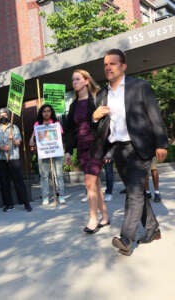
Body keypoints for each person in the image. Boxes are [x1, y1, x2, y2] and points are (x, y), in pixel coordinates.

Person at [92, 49, 168, 256]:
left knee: (134, 192)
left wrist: (162, 143)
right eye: (105, 64)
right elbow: (98, 129)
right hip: (118, 149)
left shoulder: (140, 86)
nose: (108, 67)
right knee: (137, 193)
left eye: (113, 63)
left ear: (123, 66)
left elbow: (155, 115)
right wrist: (95, 117)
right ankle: (152, 229)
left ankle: (126, 238)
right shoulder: (101, 95)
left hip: (139, 147)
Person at [64, 69, 109, 234]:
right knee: (95, 184)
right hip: (82, 147)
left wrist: (108, 149)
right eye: (73, 80)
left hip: (96, 146)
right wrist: (68, 151)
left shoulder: (96, 99)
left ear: (86, 81)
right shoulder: (73, 105)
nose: (74, 82)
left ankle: (93, 219)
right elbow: (69, 130)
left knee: (89, 183)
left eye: (77, 79)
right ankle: (104, 216)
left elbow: (105, 123)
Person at [0, 108, 32, 212]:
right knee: (4, 182)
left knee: (19, 181)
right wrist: (1, 147)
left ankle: (25, 203)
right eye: (1, 115)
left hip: (13, 158)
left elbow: (19, 142)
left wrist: (13, 139)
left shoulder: (14, 128)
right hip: (1, 159)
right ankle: (8, 204)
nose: (3, 117)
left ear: (8, 116)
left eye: (5, 115)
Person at [29, 104, 65, 205]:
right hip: (44, 153)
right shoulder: (37, 124)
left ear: (51, 112)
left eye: (48, 111)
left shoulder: (56, 123)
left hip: (56, 152)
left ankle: (61, 195)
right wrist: (32, 138)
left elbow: (61, 137)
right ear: (41, 113)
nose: (46, 113)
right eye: (44, 111)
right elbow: (31, 142)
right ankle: (45, 197)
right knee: (44, 176)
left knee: (59, 175)